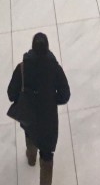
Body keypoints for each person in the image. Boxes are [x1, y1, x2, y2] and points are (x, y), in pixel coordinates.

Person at [7, 32, 70, 185]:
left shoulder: (22, 68)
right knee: (47, 154)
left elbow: (11, 94)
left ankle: (31, 158)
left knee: (30, 135)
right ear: (48, 48)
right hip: (48, 119)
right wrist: (51, 101)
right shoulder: (55, 68)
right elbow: (65, 95)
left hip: (29, 115)